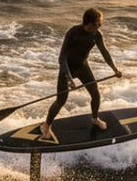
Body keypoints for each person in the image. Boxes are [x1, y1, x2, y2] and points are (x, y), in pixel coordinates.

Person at [40, 8, 122, 138]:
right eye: (98, 23)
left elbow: (104, 52)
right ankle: (46, 125)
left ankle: (95, 118)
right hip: (67, 68)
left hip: (83, 67)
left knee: (95, 94)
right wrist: (68, 78)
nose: (100, 25)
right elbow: (62, 58)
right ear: (89, 24)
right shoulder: (74, 33)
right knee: (61, 100)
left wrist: (115, 69)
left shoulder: (97, 35)